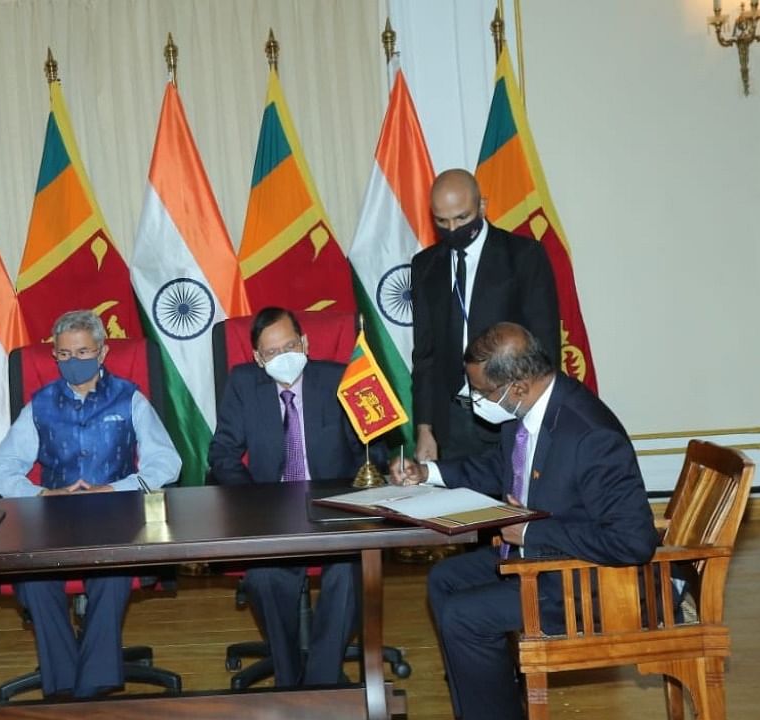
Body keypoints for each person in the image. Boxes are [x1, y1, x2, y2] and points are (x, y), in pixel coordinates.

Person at [389, 322, 657, 720]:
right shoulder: (528, 409)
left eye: (481, 392)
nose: (476, 400)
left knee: (464, 616)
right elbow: (498, 466)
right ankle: (489, 705)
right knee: (443, 580)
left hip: (583, 583)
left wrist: (530, 531)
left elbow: (634, 540)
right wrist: (430, 474)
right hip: (540, 558)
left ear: (516, 386)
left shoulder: (590, 437)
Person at [0, 309, 181, 698]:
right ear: (54, 355)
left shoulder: (130, 399)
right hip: (54, 521)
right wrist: (41, 494)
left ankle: (90, 689)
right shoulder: (40, 404)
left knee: (111, 574)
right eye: (65, 355)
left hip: (116, 516)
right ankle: (62, 691)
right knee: (36, 581)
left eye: (84, 352)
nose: (75, 362)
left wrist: (117, 488)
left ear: (102, 352)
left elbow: (168, 463)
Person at [207, 307, 374, 687]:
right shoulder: (243, 384)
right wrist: (257, 502)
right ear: (257, 358)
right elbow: (222, 454)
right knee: (264, 578)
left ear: (305, 343)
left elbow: (372, 448)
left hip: (334, 510)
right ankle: (289, 679)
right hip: (273, 512)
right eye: (271, 352)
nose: (283, 357)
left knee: (351, 572)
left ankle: (320, 679)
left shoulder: (340, 379)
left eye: (290, 346)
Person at [410, 168, 559, 462]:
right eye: (442, 221)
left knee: (513, 507)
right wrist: (425, 428)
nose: (452, 228)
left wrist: (533, 415)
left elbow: (545, 346)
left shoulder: (524, 256)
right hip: (452, 421)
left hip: (511, 413)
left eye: (462, 218)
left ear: (481, 206)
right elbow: (425, 355)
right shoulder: (425, 266)